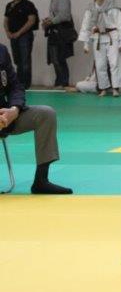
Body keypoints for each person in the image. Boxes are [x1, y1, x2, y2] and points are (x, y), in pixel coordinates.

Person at [0, 42, 71, 194]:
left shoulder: (1, 51)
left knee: (46, 114)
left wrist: (14, 110)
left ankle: (41, 180)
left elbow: (15, 86)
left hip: (4, 117)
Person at [78, 0, 121, 97]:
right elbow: (86, 26)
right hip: (98, 38)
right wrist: (86, 44)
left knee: (114, 63)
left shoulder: (113, 8)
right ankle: (103, 88)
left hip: (112, 37)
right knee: (100, 64)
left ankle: (115, 88)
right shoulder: (90, 9)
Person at [41, 0, 75, 88]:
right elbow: (57, 15)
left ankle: (63, 83)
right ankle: (59, 82)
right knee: (55, 59)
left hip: (60, 33)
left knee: (59, 58)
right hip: (54, 33)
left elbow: (65, 15)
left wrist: (50, 22)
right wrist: (48, 20)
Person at [4, 0, 38, 89]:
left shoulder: (28, 5)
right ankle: (19, 83)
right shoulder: (9, 5)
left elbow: (31, 21)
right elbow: (6, 20)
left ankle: (25, 84)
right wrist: (7, 32)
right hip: (13, 36)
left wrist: (19, 33)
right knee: (17, 60)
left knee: (25, 60)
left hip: (25, 36)